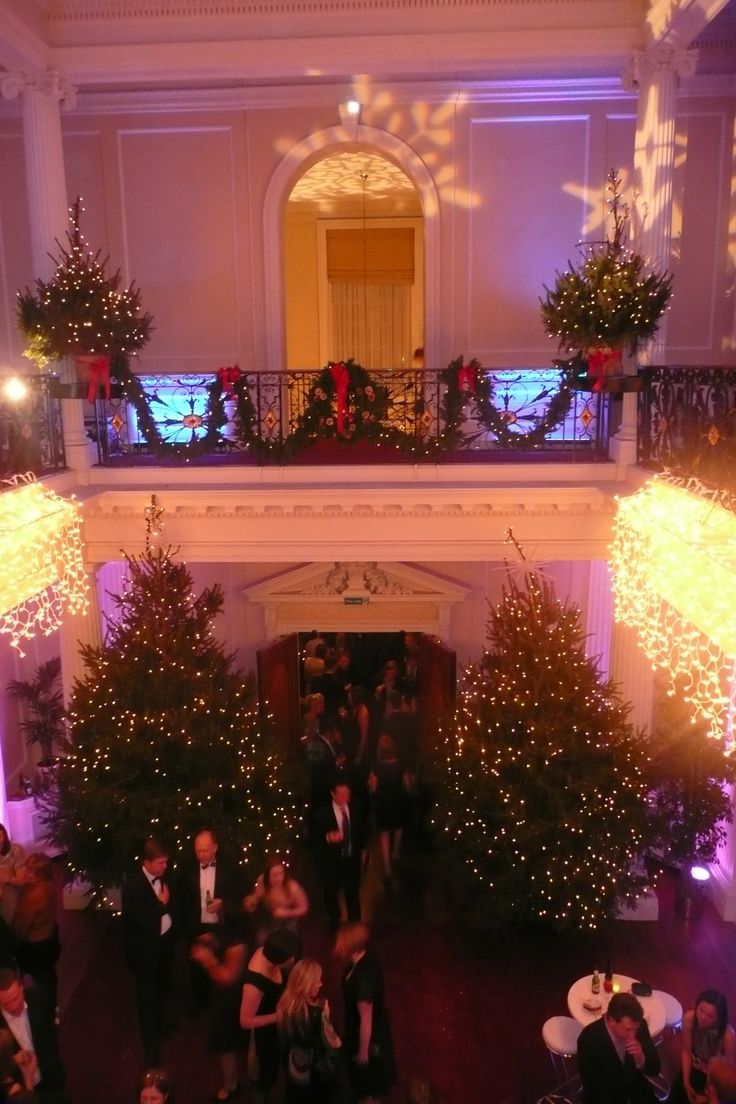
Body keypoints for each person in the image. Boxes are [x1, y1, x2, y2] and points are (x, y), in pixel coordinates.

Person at [177, 829, 243, 1016]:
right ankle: (200, 1002)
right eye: (197, 850)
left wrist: (223, 903)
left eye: (205, 850)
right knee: (197, 969)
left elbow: (240, 894)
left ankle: (223, 1007)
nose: (200, 855)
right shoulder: (186, 868)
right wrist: (195, 932)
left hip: (222, 927)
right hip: (197, 927)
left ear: (215, 848)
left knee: (223, 965)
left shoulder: (230, 866)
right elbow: (183, 902)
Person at [121, 838, 175, 1067]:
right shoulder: (133, 886)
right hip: (145, 952)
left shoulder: (163, 877)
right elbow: (138, 922)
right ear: (147, 862)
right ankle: (150, 1047)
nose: (165, 867)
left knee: (162, 988)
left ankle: (161, 1023)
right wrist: (161, 904)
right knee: (147, 999)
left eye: (166, 862)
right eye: (161, 863)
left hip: (163, 945)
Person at [335, 922, 396, 1104]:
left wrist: (363, 1053)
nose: (337, 946)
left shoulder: (363, 980)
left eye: (339, 942)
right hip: (363, 1029)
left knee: (367, 1087)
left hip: (369, 1038)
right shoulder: (365, 959)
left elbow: (366, 1020)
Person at [190, 919, 248, 1103]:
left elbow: (227, 978)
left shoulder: (238, 946)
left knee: (226, 1042)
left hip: (233, 1001)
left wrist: (208, 960)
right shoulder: (231, 936)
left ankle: (231, 1085)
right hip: (230, 999)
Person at [239, 928, 300, 1104]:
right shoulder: (255, 983)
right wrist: (279, 1016)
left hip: (276, 1030)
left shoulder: (267, 954)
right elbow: (245, 1021)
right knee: (262, 1082)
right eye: (290, 958)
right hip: (263, 1038)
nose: (293, 960)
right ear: (278, 958)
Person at [577, 990, 660, 1104]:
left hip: (636, 1091)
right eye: (628, 1029)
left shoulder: (640, 1025)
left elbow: (655, 1068)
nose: (633, 1035)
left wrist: (641, 1058)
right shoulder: (588, 1040)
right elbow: (595, 1089)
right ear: (611, 1020)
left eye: (635, 1029)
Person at [276, 957, 342, 1102]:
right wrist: (326, 1016)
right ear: (306, 984)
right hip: (316, 1076)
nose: (321, 984)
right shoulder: (318, 1012)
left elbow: (283, 1044)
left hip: (294, 1070)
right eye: (317, 980)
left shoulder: (284, 1007)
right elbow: (334, 1045)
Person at [0, 968, 65, 1095]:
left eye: (16, 998)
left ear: (22, 988)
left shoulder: (40, 998)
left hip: (50, 1076)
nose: (13, 1006)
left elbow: (52, 1031)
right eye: (6, 1003)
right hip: (21, 1091)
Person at [313, 779, 368, 929]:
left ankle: (355, 924)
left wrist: (363, 849)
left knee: (353, 893)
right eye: (341, 794)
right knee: (331, 892)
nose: (345, 797)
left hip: (351, 859)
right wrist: (328, 837)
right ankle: (334, 921)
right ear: (332, 794)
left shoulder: (355, 806)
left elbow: (361, 828)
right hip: (331, 861)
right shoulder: (322, 813)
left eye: (347, 793)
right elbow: (312, 838)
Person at [669, 990, 736, 1104]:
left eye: (710, 1015)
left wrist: (707, 1098)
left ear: (719, 1018)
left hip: (713, 1079)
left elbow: (728, 1075)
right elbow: (686, 1051)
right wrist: (686, 1082)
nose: (703, 1017)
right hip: (693, 1064)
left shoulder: (727, 1036)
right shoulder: (689, 1018)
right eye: (701, 1010)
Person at [12, 856, 59, 1012]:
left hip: (35, 946)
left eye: (29, 870)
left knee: (40, 979)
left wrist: (13, 941)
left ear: (37, 874)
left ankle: (45, 1009)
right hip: (49, 938)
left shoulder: (33, 895)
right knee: (48, 976)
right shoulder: (50, 886)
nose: (25, 872)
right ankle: (53, 1007)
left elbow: (21, 923)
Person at [243, 856, 309, 947]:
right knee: (261, 942)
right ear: (267, 875)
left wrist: (287, 912)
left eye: (281, 873)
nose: (278, 878)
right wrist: (252, 901)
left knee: (285, 947)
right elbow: (254, 901)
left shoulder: (292, 887)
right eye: (274, 875)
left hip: (288, 924)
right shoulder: (262, 882)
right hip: (268, 923)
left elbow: (304, 907)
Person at [369, 733, 406, 883]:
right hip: (398, 798)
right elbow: (407, 783)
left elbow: (372, 786)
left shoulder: (376, 766)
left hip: (383, 800)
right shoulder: (400, 764)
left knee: (384, 833)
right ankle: (396, 853)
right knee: (398, 827)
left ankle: (387, 867)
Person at [0, 828, 25, 927]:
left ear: (5, 836)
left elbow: (21, 879)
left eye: (0, 836)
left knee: (8, 911)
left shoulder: (15, 849)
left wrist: (7, 879)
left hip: (13, 886)